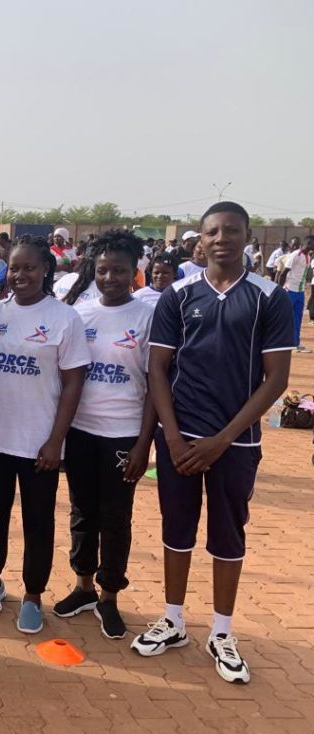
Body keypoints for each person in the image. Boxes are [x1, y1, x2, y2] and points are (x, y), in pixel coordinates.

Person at [131, 202, 293, 685]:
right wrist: (172, 437)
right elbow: (158, 368)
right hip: (179, 439)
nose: (222, 239)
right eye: (213, 232)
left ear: (248, 237)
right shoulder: (178, 295)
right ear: (200, 240)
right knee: (176, 529)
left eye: (231, 231)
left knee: (228, 534)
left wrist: (222, 440)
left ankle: (222, 632)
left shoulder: (268, 297)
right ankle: (173, 619)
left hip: (235, 443)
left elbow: (276, 379)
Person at [0, 236, 89, 633]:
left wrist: (56, 440)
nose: (20, 275)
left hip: (40, 441)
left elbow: (73, 383)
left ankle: (33, 595)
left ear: (46, 270)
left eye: (29, 267)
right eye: (14, 267)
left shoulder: (64, 318)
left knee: (38, 520)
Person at [55, 230, 155, 640]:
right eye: (102, 271)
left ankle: (110, 595)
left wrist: (143, 445)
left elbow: (155, 386)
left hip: (123, 434)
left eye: (119, 271)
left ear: (134, 273)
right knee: (82, 512)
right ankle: (83, 587)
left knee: (116, 517)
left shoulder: (147, 317)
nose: (110, 278)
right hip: (81, 431)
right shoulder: (80, 314)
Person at [275, 236, 309, 351]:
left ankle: (295, 343)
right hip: (289, 291)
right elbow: (283, 273)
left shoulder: (308, 256)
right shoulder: (295, 255)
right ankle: (278, 342)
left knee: (297, 318)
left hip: (300, 292)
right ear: (309, 244)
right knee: (283, 318)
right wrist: (279, 291)